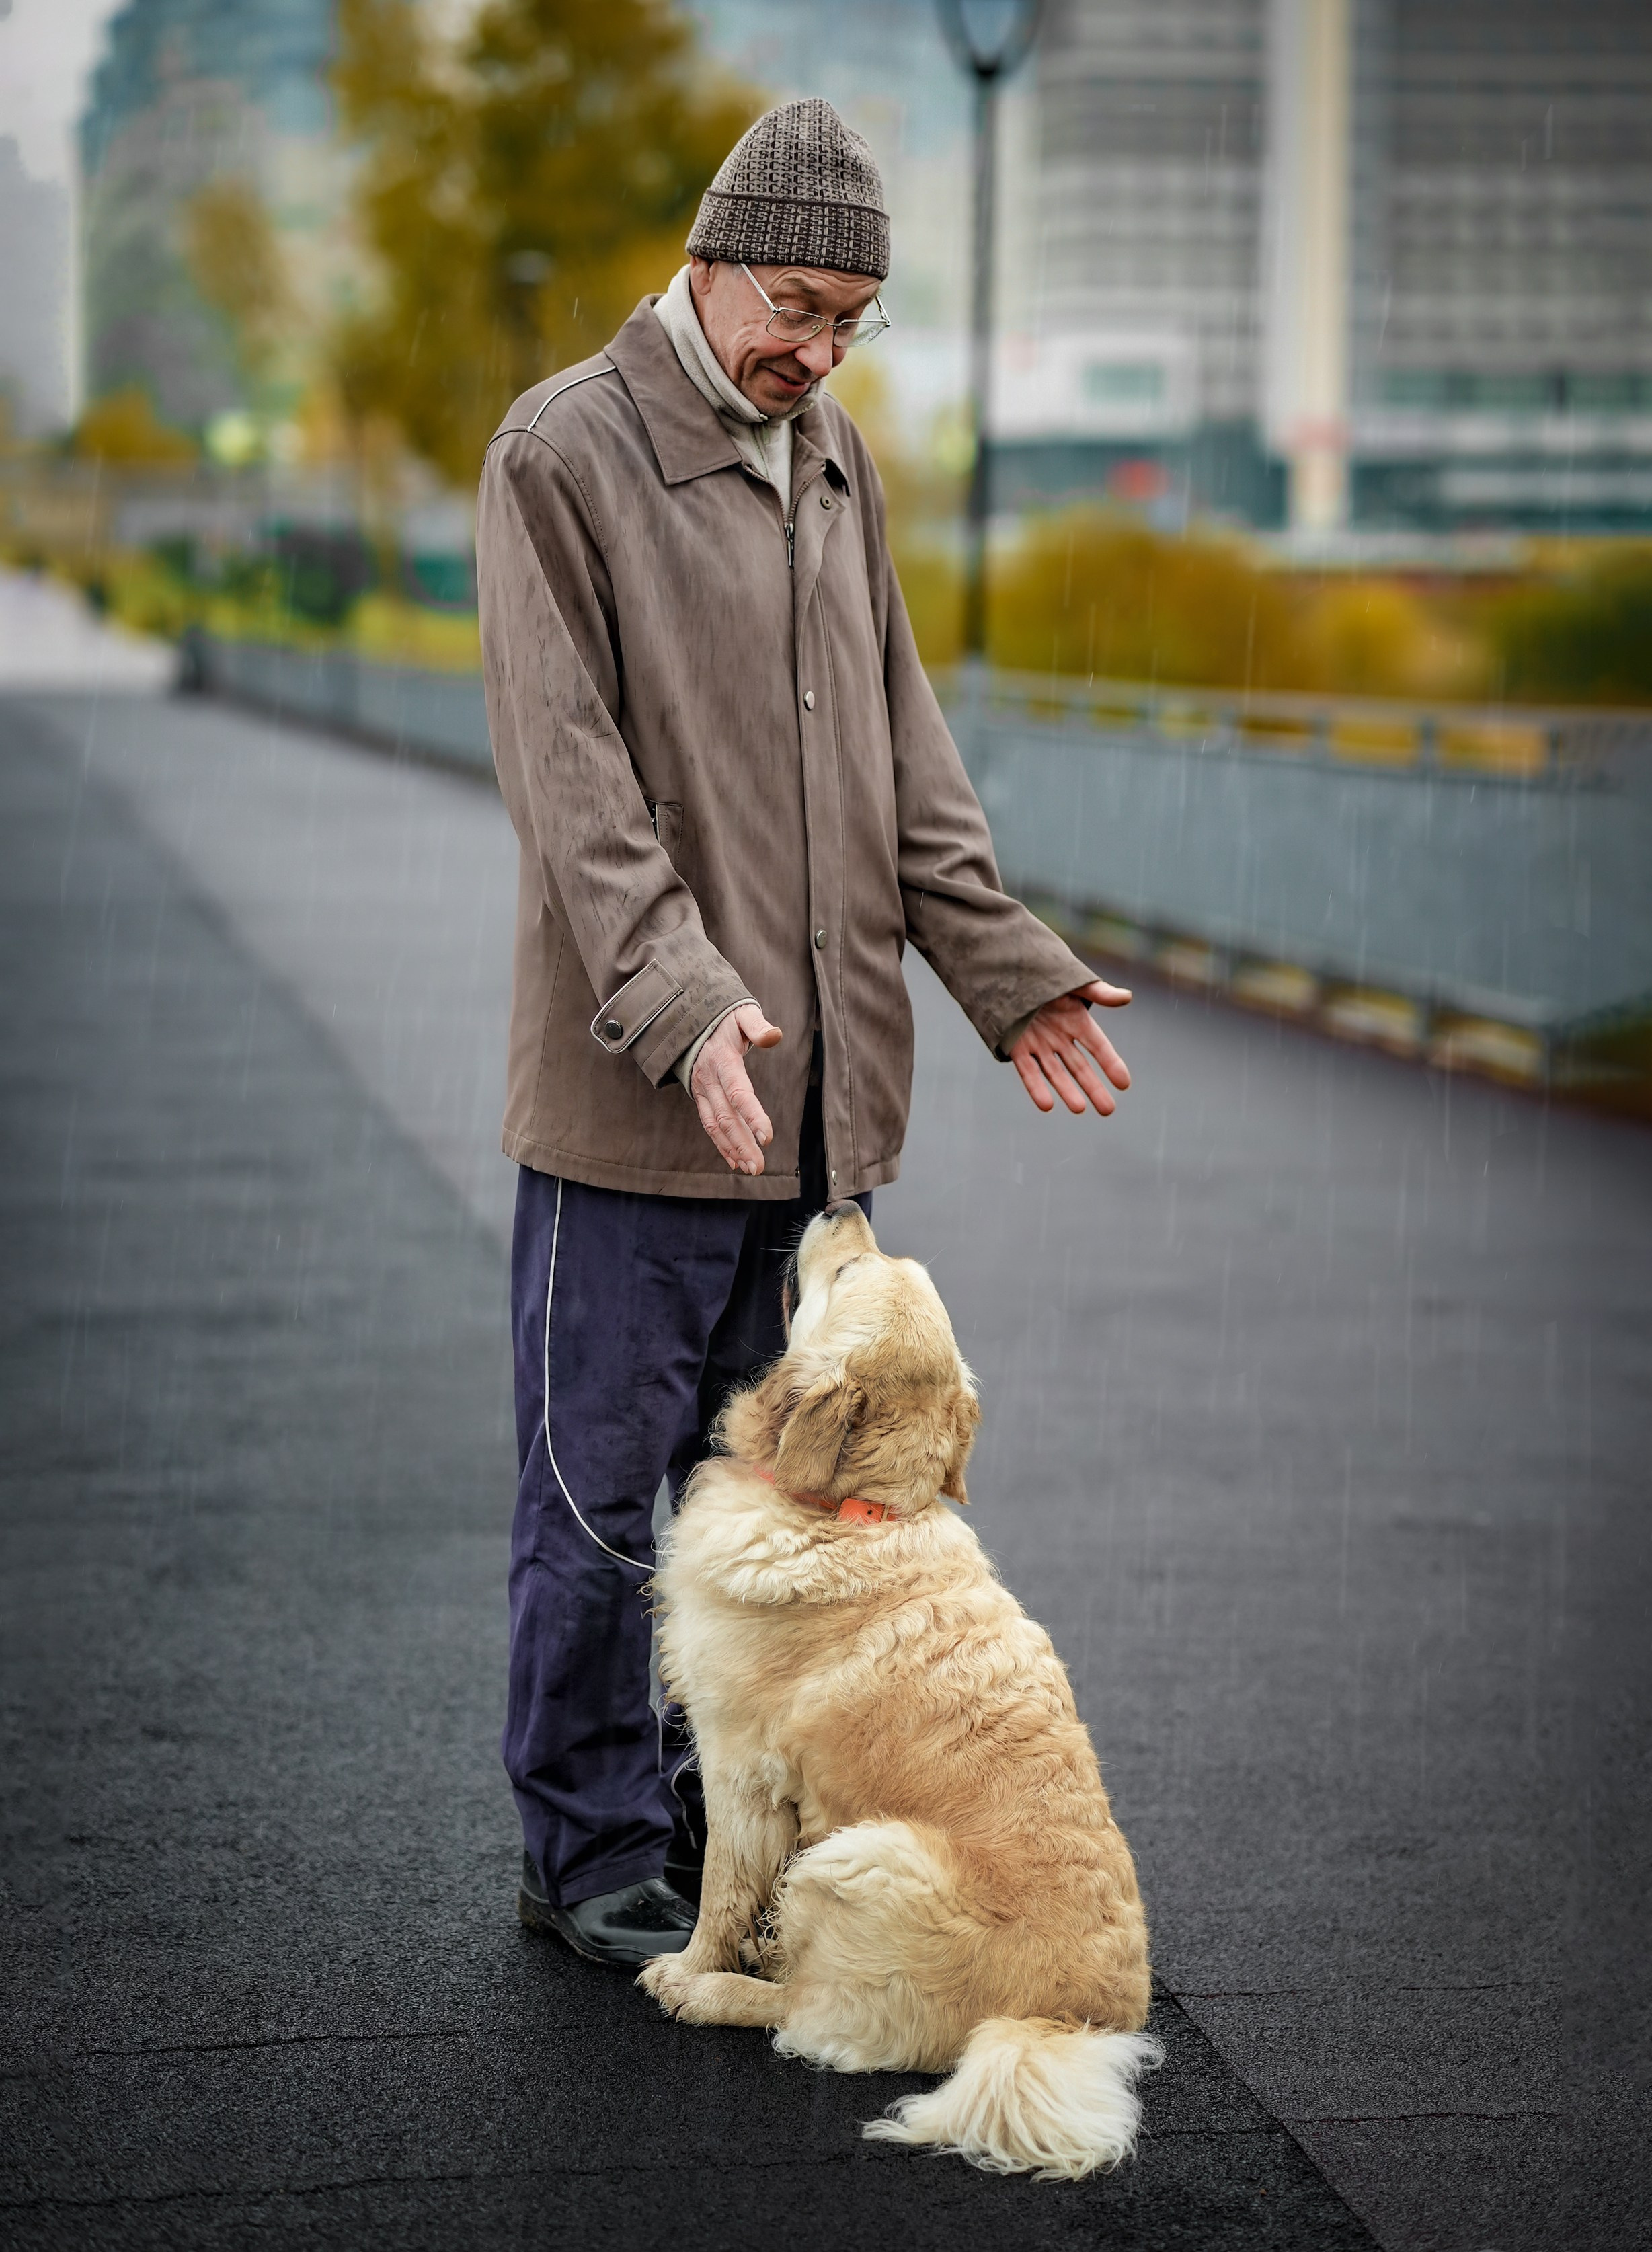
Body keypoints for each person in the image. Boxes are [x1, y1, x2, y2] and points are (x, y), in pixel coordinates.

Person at [475, 96, 1131, 1970]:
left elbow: (904, 767)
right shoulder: (564, 453)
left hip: (817, 1114)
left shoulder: (828, 459)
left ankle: (713, 1830)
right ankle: (589, 1847)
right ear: (704, 260)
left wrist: (1008, 971)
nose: (819, 348)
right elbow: (571, 781)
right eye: (796, 303)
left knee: (765, 1509)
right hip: (635, 1102)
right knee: (601, 1498)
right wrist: (684, 1002)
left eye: (853, 319)